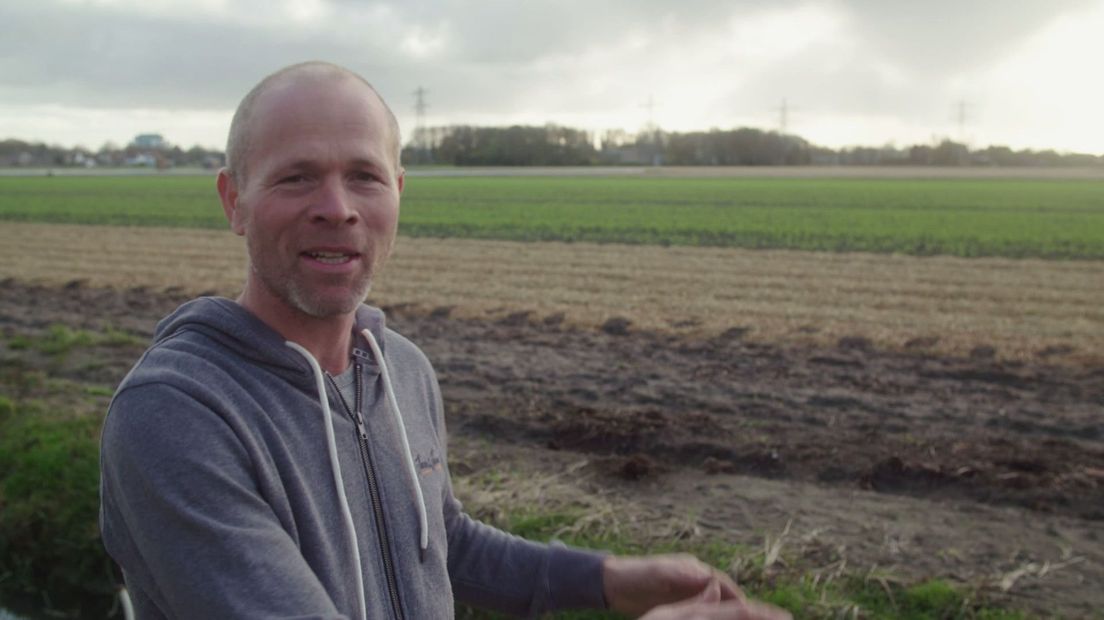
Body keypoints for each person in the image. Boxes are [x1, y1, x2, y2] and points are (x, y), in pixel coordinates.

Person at [99, 61, 789, 620]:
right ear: (233, 201)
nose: (336, 208)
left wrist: (611, 578)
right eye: (297, 176)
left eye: (364, 176)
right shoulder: (176, 415)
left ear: (397, 194)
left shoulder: (398, 369)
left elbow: (441, 544)